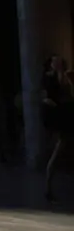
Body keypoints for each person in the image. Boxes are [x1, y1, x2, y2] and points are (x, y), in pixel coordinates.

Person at [41, 55, 73, 203]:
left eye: (59, 61)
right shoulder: (50, 78)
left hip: (66, 116)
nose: (57, 63)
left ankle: (50, 188)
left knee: (61, 151)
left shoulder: (66, 77)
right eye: (54, 61)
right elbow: (47, 98)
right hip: (61, 119)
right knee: (58, 151)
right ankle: (48, 188)